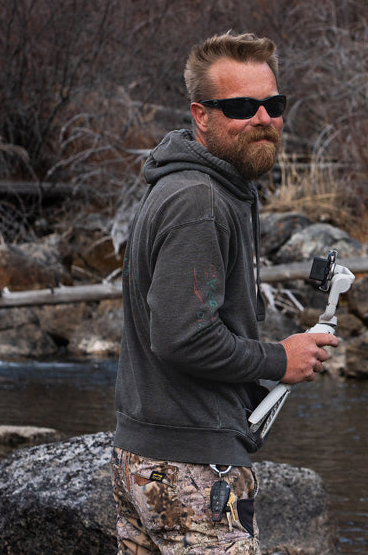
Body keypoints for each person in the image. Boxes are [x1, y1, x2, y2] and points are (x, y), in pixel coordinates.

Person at [112, 31, 338, 555]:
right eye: (240, 106)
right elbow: (181, 338)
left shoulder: (202, 188)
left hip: (146, 459)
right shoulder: (199, 201)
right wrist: (278, 358)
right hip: (190, 470)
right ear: (201, 115)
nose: (262, 118)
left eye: (272, 104)